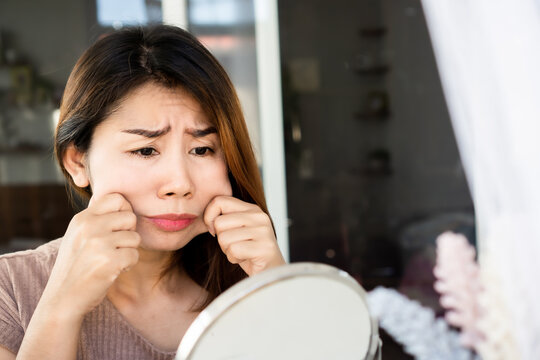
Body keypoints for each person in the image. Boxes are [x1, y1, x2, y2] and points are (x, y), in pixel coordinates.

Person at [0, 25, 285, 359]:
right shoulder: (11, 290)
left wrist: (278, 287)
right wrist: (61, 305)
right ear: (77, 161)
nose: (179, 184)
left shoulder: (251, 285)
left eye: (203, 149)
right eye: (146, 150)